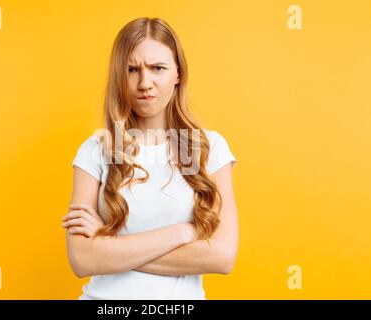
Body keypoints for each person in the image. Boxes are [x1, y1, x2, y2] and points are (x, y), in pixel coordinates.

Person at [62, 17, 239, 300]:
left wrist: (111, 245)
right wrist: (183, 233)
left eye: (158, 68)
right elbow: (83, 260)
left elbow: (221, 256)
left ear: (178, 73)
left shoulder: (210, 148)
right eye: (132, 69)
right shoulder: (95, 150)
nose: (145, 83)